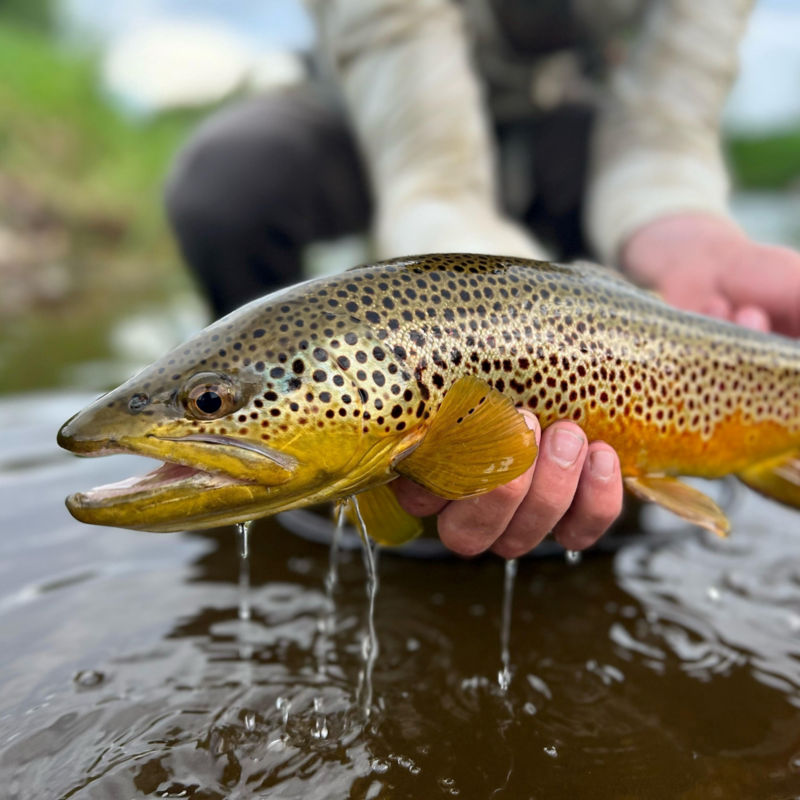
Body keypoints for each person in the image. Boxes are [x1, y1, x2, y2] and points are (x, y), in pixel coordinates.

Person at [165, 0, 800, 559]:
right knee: (226, 186)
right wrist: (472, 295)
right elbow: (428, 157)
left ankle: (588, 488)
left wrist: (687, 235)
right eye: (210, 400)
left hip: (568, 118)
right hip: (383, 113)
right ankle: (295, 488)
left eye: (211, 401)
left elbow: (667, 126)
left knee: (579, 454)